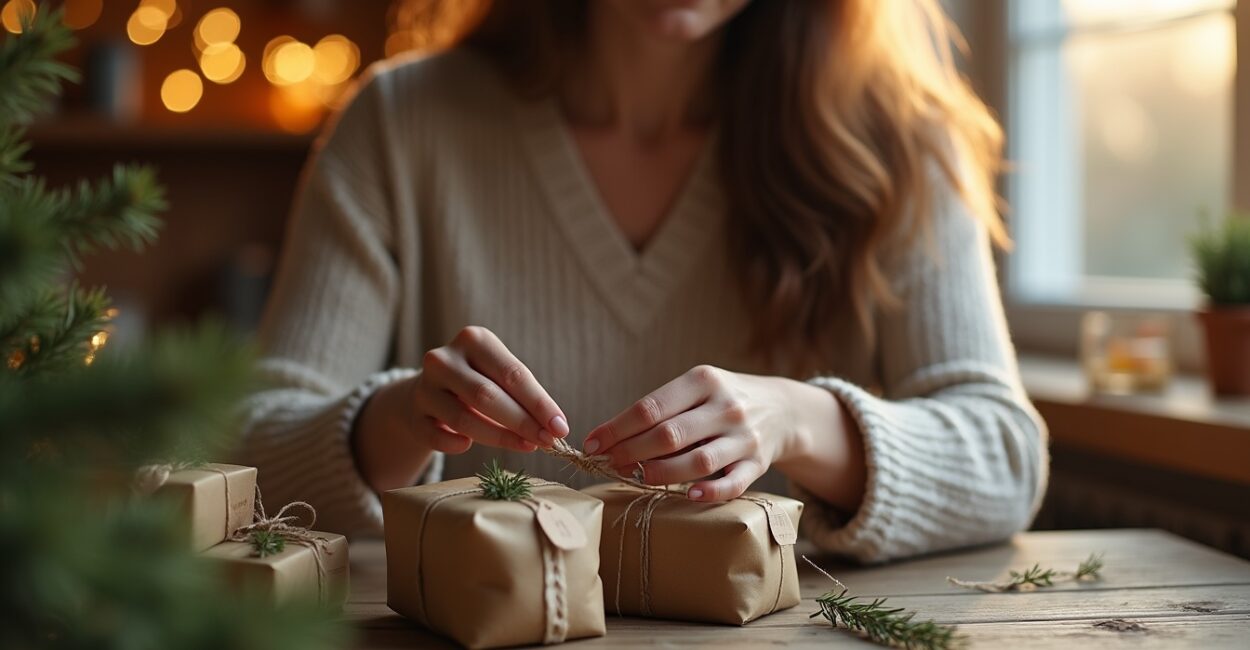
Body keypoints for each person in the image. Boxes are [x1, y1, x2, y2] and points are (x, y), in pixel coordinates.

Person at [238, 0, 1047, 563]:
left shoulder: (900, 140)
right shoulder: (398, 123)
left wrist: (796, 417)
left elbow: (1005, 458)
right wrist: (398, 421)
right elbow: (244, 442)